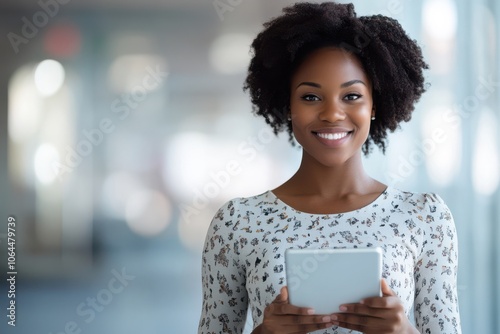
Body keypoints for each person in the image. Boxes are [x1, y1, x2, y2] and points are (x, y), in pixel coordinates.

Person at [198, 2, 461, 333]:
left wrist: (404, 332)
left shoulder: (424, 218)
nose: (332, 114)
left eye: (351, 96)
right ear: (287, 105)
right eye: (310, 97)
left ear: (375, 105)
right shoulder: (237, 223)